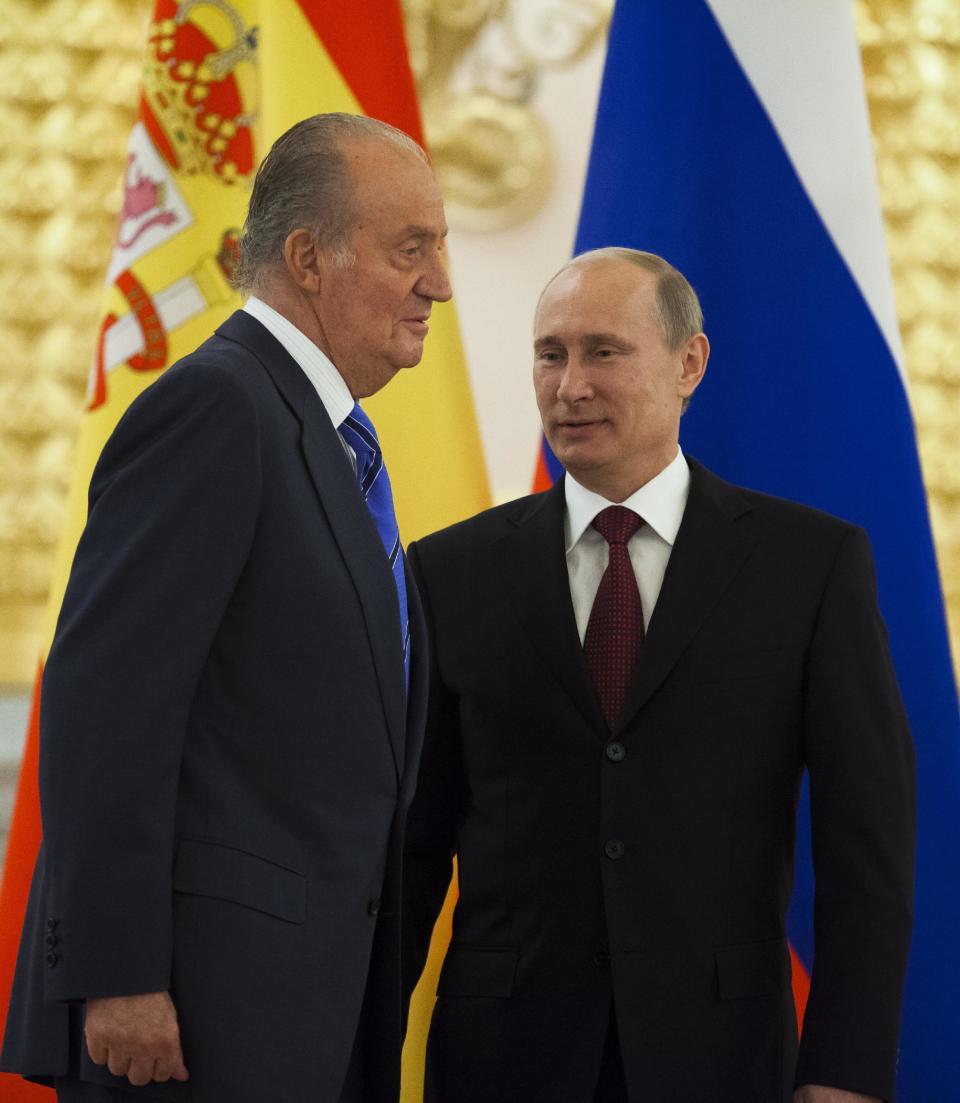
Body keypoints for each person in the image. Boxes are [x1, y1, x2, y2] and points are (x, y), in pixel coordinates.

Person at [1, 112, 451, 1103]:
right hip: (194, 1016)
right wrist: (118, 972)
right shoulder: (219, 408)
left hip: (306, 1005)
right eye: (411, 247)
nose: (442, 282)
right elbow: (106, 700)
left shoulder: (329, 440)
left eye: (443, 245)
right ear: (308, 257)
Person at [402, 248, 915, 1103]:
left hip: (723, 1057)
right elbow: (414, 846)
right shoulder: (451, 572)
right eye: (550, 353)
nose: (570, 386)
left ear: (689, 364)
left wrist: (845, 1073)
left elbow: (869, 850)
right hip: (502, 1059)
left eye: (604, 351)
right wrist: (363, 1055)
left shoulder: (809, 566)